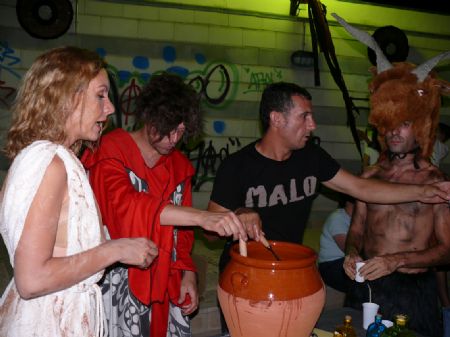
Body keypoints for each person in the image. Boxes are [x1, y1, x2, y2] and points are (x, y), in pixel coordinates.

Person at [207, 81, 450, 335]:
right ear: (277, 119)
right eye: (305, 117)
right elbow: (211, 233)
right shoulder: (237, 167)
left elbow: (360, 188)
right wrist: (238, 214)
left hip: (294, 272)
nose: (312, 125)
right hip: (246, 277)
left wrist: (425, 192)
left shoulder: (310, 157)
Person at [0, 46, 159, 337]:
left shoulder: (47, 158)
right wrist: (115, 250)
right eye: (100, 95)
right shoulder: (50, 163)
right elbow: (32, 278)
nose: (110, 108)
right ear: (66, 97)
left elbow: (61, 244)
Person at [81, 72, 253, 337]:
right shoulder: (111, 150)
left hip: (164, 278)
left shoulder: (178, 166)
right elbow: (126, 205)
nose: (173, 140)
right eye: (168, 129)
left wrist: (187, 274)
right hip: (116, 278)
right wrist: (201, 217)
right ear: (149, 116)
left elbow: (180, 238)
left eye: (181, 132)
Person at [332, 13, 450, 337]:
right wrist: (352, 253)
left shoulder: (434, 183)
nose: (395, 131)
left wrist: (396, 260)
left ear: (420, 126)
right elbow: (356, 229)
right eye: (390, 122)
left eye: (405, 123)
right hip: (366, 286)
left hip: (413, 292)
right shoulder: (369, 177)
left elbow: (447, 249)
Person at [318, 194, 354, 293]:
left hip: (344, 261)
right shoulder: (337, 218)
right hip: (331, 265)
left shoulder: (358, 220)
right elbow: (346, 247)